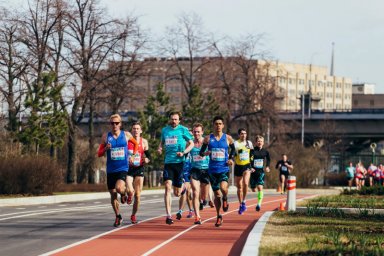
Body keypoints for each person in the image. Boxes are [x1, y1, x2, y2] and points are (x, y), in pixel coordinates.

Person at [97, 114, 138, 227]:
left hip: (122, 168)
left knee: (119, 188)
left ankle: (124, 193)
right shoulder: (106, 137)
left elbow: (136, 144)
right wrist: (105, 148)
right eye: (112, 123)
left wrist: (133, 155)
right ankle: (118, 216)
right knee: (113, 195)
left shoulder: (126, 135)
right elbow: (99, 154)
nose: (114, 125)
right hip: (111, 170)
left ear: (120, 124)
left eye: (116, 123)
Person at [158, 111, 194, 225]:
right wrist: (159, 148)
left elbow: (191, 144)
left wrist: (184, 152)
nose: (173, 121)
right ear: (169, 119)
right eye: (172, 119)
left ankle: (182, 189)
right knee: (167, 187)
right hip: (168, 163)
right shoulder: (165, 130)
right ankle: (168, 215)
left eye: (176, 119)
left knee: (177, 193)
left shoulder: (183, 130)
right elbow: (161, 142)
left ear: (179, 120)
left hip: (180, 163)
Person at [199, 116, 235, 227]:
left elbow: (233, 150)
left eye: (220, 123)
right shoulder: (208, 139)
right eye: (216, 124)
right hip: (212, 170)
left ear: (223, 125)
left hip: (223, 169)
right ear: (213, 125)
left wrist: (231, 159)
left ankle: (226, 198)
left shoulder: (228, 138)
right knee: (217, 195)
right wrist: (206, 153)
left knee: (224, 188)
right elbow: (201, 152)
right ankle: (219, 216)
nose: (218, 125)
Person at [126, 122, 150, 224]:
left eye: (137, 129)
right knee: (130, 190)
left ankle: (133, 215)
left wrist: (147, 159)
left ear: (141, 131)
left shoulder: (144, 141)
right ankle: (129, 194)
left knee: (138, 196)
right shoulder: (127, 141)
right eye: (134, 128)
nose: (136, 130)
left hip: (139, 168)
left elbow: (148, 155)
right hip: (129, 169)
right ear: (132, 131)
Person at [189, 123, 211, 225]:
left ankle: (203, 200)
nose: (196, 133)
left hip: (206, 170)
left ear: (202, 132)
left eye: (198, 131)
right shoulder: (190, 143)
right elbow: (184, 153)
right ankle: (197, 216)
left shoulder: (206, 143)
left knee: (203, 195)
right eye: (195, 132)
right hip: (195, 170)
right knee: (195, 192)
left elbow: (214, 151)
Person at [233, 128, 253, 215]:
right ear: (239, 135)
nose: (243, 135)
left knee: (245, 183)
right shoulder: (236, 143)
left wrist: (252, 166)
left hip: (247, 166)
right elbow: (233, 153)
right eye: (241, 133)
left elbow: (252, 154)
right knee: (239, 187)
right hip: (238, 166)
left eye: (245, 133)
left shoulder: (249, 143)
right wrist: (231, 158)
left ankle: (244, 201)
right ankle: (241, 204)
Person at [250, 135, 271, 212]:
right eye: (258, 141)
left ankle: (259, 204)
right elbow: (250, 160)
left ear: (263, 142)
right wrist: (250, 167)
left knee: (260, 187)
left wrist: (267, 166)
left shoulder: (265, 151)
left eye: (261, 141)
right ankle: (256, 193)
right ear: (256, 142)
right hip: (253, 172)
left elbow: (268, 159)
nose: (260, 143)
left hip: (260, 172)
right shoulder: (252, 151)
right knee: (253, 189)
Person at [176, 143, 194, 221]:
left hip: (190, 173)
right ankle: (181, 211)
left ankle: (190, 210)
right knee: (183, 192)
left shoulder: (193, 150)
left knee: (187, 192)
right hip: (181, 172)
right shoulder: (180, 148)